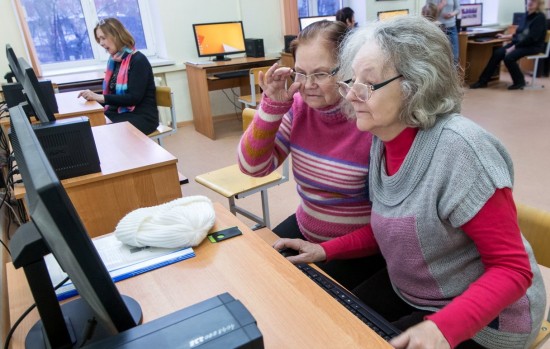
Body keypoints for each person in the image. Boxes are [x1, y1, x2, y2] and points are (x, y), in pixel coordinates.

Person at [274, 15, 546, 349]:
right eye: (351, 81)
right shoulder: (382, 139)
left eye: (368, 84)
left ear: (416, 85)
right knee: (333, 322)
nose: (352, 95)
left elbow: (513, 270)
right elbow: (389, 226)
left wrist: (441, 328)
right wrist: (324, 250)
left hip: (491, 319)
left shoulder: (463, 152)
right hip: (419, 294)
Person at [237, 20, 384, 290]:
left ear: (350, 68)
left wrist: (328, 250)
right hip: (307, 229)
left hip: (360, 248)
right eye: (300, 73)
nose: (307, 85)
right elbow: (252, 167)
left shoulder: (370, 118)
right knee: (257, 276)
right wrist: (271, 107)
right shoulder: (298, 107)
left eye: (320, 74)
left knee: (310, 302)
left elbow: (392, 225)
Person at [78, 18, 159, 135]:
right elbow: (113, 95)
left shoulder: (138, 60)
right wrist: (91, 99)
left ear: (116, 35)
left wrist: (99, 97)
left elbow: (133, 98)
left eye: (103, 38)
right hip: (119, 112)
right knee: (89, 125)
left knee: (100, 132)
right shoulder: (114, 61)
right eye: (99, 39)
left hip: (142, 117)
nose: (101, 43)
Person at [470, 0, 547, 90]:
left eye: (534, 1)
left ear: (539, 4)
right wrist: (506, 36)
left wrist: (513, 48)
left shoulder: (540, 18)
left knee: (509, 57)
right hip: (520, 43)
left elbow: (531, 38)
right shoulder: (527, 14)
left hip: (532, 46)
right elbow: (520, 34)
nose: (530, 2)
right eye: (530, 0)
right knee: (498, 53)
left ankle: (519, 82)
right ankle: (482, 81)